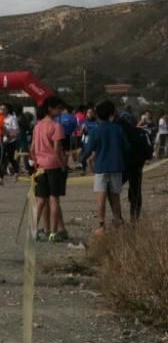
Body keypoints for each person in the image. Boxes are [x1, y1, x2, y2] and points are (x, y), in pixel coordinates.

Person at [80, 100, 128, 234]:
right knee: (115, 197)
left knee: (100, 197)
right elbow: (126, 147)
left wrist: (82, 160)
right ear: (112, 114)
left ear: (98, 115)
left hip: (101, 167)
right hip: (117, 166)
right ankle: (118, 221)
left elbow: (88, 150)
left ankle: (101, 226)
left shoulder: (95, 131)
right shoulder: (118, 129)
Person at [29, 96, 69, 242]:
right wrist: (63, 165)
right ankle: (53, 232)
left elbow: (32, 149)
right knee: (54, 199)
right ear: (51, 108)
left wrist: (36, 162)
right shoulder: (56, 127)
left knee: (40, 201)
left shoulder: (37, 126)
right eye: (58, 108)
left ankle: (32, 230)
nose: (60, 111)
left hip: (40, 166)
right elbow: (57, 149)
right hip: (54, 166)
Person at [119, 111, 153, 221]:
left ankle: (118, 218)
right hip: (137, 166)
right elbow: (149, 153)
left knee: (113, 191)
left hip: (123, 166)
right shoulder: (142, 133)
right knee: (136, 193)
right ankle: (134, 219)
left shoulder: (119, 133)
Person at [0, 103, 20, 178]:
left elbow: (16, 131)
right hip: (1, 141)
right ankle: (0, 176)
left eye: (3, 109)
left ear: (7, 110)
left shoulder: (12, 118)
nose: (1, 111)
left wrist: (8, 136)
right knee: (1, 158)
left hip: (11, 141)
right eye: (0, 109)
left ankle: (16, 171)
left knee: (11, 158)